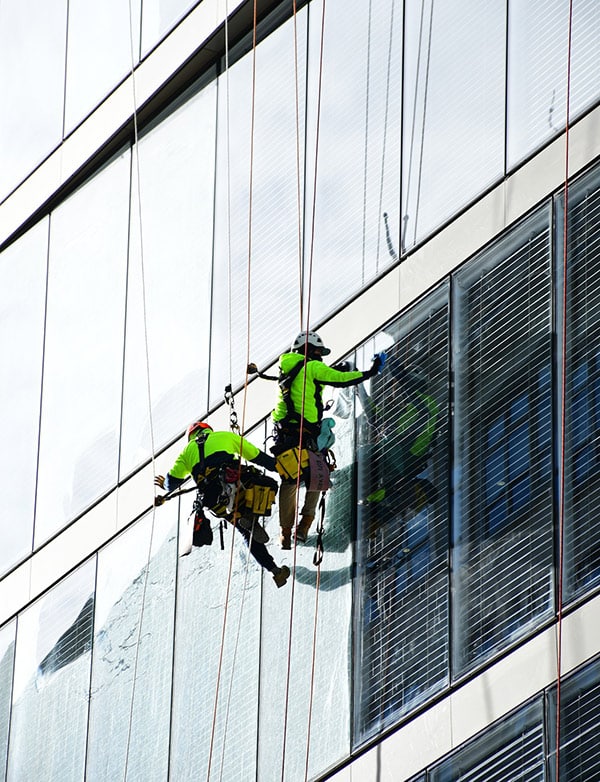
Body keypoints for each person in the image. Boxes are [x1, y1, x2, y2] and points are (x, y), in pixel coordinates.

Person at [271, 330, 386, 548]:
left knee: (289, 480)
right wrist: (370, 371)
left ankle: (285, 533)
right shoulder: (312, 366)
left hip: (285, 434)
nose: (320, 357)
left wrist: (332, 369)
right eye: (317, 351)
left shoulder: (287, 367)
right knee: (317, 476)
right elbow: (340, 381)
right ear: (307, 349)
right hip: (305, 434)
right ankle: (304, 525)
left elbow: (309, 381)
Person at [155, 421, 291, 588]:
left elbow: (172, 483)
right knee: (270, 485)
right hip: (238, 483)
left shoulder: (186, 452)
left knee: (246, 533)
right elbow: (258, 457)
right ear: (209, 430)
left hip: (214, 500)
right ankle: (248, 513)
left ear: (191, 437)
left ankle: (275, 571)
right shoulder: (225, 436)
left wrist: (164, 486)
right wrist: (284, 468)